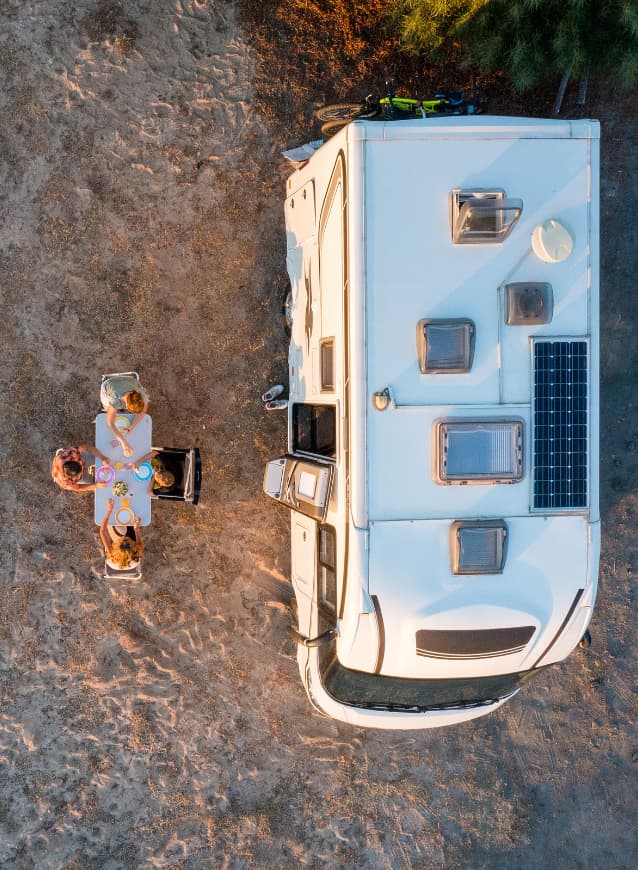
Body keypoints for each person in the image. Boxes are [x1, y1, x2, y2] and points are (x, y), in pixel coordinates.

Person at [100, 374, 149, 457]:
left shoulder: (140, 395)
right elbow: (110, 423)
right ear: (126, 405)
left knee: (114, 410)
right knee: (108, 408)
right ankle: (111, 408)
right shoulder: (114, 398)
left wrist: (131, 428)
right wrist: (124, 443)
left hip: (128, 382)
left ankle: (114, 410)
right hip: (108, 387)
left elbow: (143, 411)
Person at [100, 498, 144, 571]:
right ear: (134, 547)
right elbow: (139, 543)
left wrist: (109, 511)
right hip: (132, 565)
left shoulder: (111, 554)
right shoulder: (138, 550)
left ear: (115, 548)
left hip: (115, 564)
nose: (123, 538)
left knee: (114, 528)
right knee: (127, 529)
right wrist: (136, 529)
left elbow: (102, 531)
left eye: (121, 541)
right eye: (126, 540)